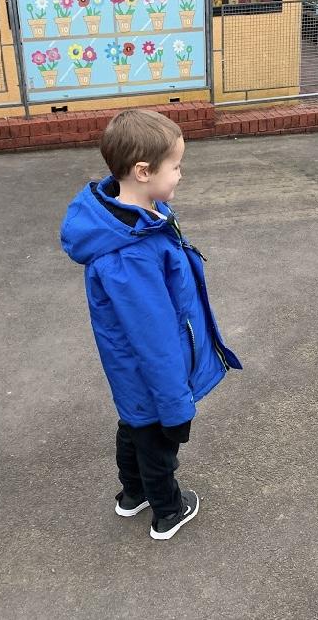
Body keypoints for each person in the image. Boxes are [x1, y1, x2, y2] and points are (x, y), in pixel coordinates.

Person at [61, 108, 242, 540]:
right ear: (143, 172)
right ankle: (168, 510)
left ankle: (133, 494)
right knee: (158, 438)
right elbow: (154, 337)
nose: (181, 174)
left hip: (136, 372)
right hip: (152, 372)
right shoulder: (131, 254)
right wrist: (176, 403)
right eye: (175, 166)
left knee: (135, 425)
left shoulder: (139, 219)